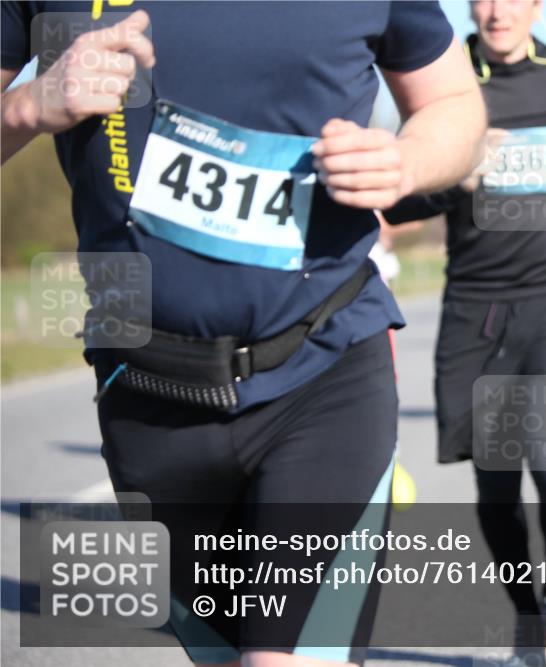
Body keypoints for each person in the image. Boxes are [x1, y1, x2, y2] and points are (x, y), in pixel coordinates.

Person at [2, 4, 485, 666]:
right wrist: (28, 106)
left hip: (323, 363)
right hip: (146, 396)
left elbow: (456, 102)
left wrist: (407, 160)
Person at [383, 1, 546, 665]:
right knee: (496, 486)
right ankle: (527, 616)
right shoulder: (446, 80)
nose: (497, 10)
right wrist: (451, 174)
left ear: (536, 7)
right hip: (479, 310)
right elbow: (398, 192)